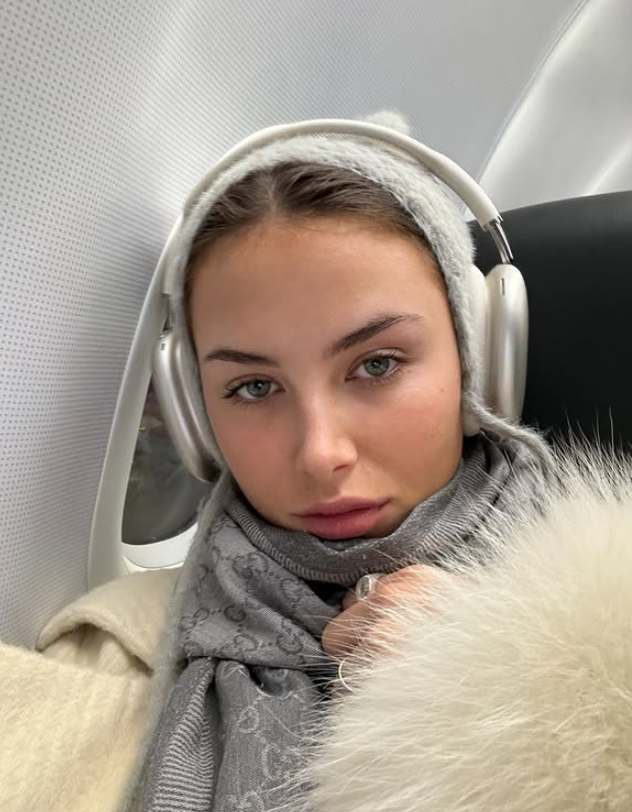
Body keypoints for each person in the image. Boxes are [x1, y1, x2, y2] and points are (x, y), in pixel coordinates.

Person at [120, 113, 555, 812]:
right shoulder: (114, 646)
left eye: (376, 364)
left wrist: (507, 665)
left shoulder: (602, 577)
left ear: (478, 359)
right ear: (195, 413)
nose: (322, 455)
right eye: (253, 387)